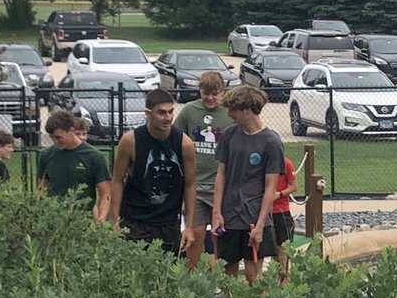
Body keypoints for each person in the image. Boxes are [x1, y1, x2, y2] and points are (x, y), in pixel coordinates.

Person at [107, 90, 196, 255]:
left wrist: (189, 226)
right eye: (161, 112)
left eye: (170, 112)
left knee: (166, 276)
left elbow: (190, 185)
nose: (167, 117)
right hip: (134, 220)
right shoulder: (130, 141)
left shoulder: (185, 144)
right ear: (148, 113)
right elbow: (117, 180)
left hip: (168, 222)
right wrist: (114, 220)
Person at [212, 85, 284, 285]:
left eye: (232, 110)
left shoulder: (271, 142)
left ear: (247, 110)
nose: (229, 114)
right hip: (229, 217)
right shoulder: (229, 135)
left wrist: (260, 225)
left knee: (254, 277)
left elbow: (271, 187)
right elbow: (221, 174)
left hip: (254, 219)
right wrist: (217, 212)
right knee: (227, 275)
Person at [173, 70, 235, 267]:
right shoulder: (190, 110)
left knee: (220, 234)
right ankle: (193, 279)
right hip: (195, 184)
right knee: (195, 233)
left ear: (222, 92)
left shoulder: (229, 113)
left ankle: (221, 282)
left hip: (221, 185)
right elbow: (175, 138)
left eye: (214, 93)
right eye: (205, 93)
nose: (209, 98)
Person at [37, 108, 111, 221]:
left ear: (71, 131)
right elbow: (41, 189)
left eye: (58, 137)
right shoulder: (46, 155)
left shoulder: (95, 157)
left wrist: (101, 220)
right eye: (52, 137)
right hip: (52, 219)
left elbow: (105, 194)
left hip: (82, 221)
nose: (55, 141)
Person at [271, 154, 297, 282]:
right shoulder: (263, 162)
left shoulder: (287, 163)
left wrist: (279, 194)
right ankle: (276, 274)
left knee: (284, 245)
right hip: (265, 211)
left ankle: (284, 276)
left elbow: (293, 186)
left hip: (282, 210)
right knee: (272, 245)